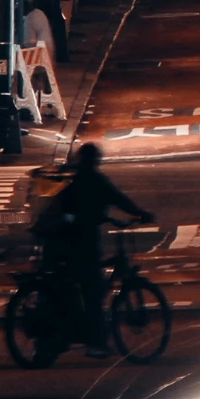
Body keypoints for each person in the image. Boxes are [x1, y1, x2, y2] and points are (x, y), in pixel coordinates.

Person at [33, 142, 153, 355]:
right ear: (95, 160)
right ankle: (95, 343)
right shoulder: (94, 179)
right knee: (93, 290)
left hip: (61, 242)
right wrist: (141, 214)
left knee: (77, 285)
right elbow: (119, 199)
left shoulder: (72, 179)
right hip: (81, 242)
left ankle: (75, 332)